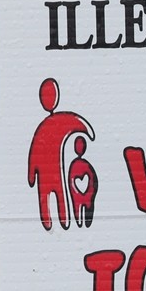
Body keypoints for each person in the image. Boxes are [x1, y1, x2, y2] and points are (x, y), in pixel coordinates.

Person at [27, 78, 93, 230]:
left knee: (49, 200)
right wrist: (88, 132)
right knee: (58, 198)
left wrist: (32, 176)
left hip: (49, 175)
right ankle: (61, 222)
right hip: (55, 174)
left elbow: (33, 154)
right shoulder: (55, 122)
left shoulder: (44, 127)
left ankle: (54, 221)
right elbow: (77, 124)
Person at [66, 135, 98, 229]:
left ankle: (80, 222)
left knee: (79, 211)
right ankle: (83, 222)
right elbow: (93, 179)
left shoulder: (74, 165)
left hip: (81, 192)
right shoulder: (85, 165)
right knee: (85, 211)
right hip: (84, 192)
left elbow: (71, 181)